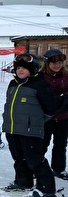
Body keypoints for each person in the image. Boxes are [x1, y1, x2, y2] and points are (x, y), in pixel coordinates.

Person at [2, 53, 57, 197]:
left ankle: (46, 188)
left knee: (35, 159)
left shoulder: (39, 84)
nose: (20, 71)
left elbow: (50, 109)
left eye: (24, 68)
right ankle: (23, 182)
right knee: (19, 158)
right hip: (13, 128)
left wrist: (35, 122)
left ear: (32, 69)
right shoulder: (13, 83)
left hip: (30, 131)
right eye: (18, 68)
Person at [41, 49, 68, 177]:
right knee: (42, 143)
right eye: (53, 63)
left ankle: (59, 168)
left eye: (59, 62)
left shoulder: (66, 76)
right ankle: (37, 167)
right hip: (46, 117)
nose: (57, 65)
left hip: (63, 117)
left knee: (61, 144)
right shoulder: (41, 77)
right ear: (47, 64)